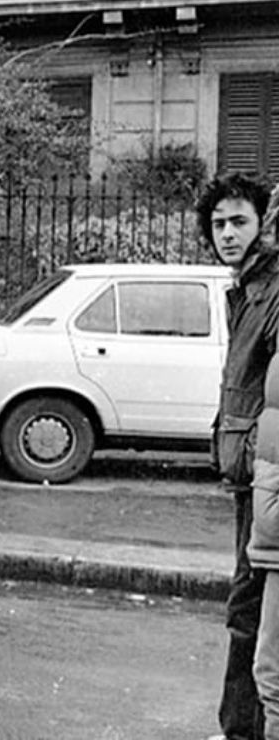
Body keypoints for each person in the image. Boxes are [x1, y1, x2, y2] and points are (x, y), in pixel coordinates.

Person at [194, 174, 279, 740]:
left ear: (262, 226)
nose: (227, 233)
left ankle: (240, 730)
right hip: (251, 471)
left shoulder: (271, 290)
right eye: (218, 223)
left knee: (248, 606)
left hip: (265, 476)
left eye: (239, 221)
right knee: (248, 603)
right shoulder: (245, 288)